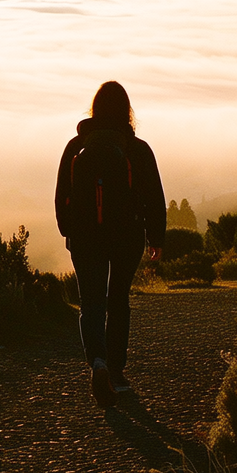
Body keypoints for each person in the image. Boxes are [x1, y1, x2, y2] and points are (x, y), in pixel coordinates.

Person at [53, 80, 166, 407]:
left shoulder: (76, 147)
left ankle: (97, 362)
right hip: (127, 236)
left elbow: (62, 194)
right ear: (126, 111)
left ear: (95, 109)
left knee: (91, 301)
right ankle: (116, 372)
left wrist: (67, 231)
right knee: (118, 301)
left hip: (85, 237)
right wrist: (156, 238)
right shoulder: (137, 149)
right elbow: (153, 198)